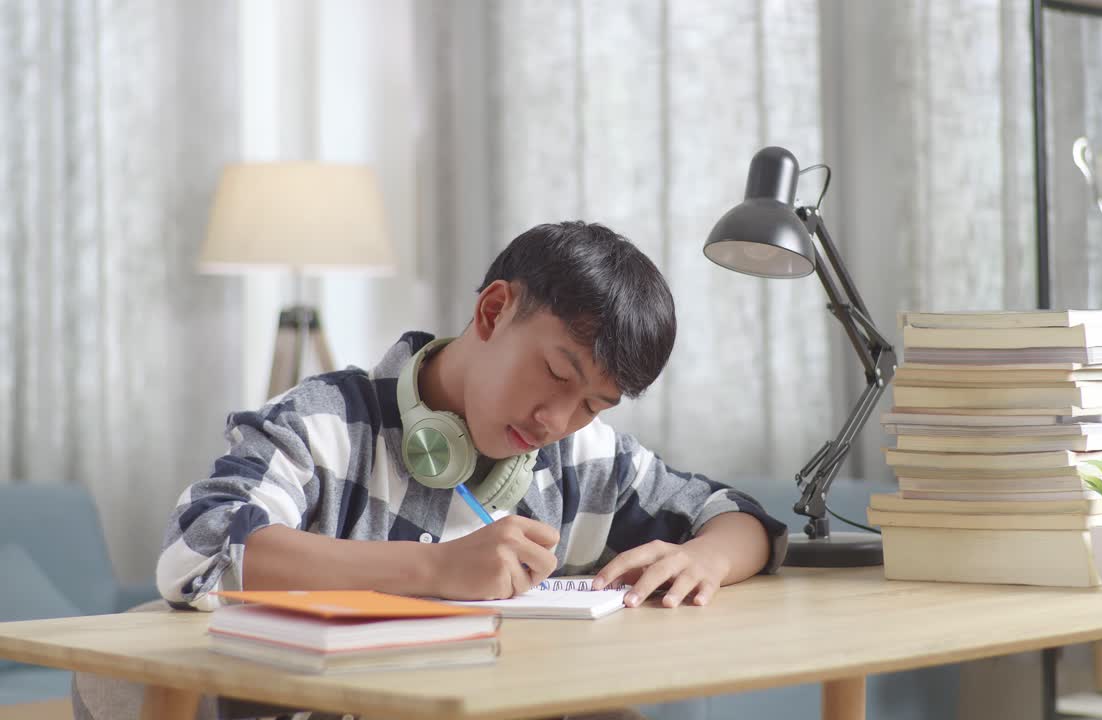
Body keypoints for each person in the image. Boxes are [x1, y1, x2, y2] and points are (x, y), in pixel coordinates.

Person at [73, 221, 786, 720]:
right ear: (493, 309)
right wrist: (436, 571)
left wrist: (706, 560)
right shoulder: (326, 423)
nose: (555, 421)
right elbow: (198, 548)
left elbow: (736, 514)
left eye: (591, 404)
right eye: (554, 373)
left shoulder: (578, 458)